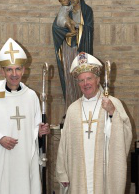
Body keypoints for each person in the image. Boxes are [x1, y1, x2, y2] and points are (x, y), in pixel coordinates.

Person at [0, 38, 50, 194]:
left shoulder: (32, 97)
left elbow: (33, 132)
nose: (14, 74)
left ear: (24, 70)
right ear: (2, 72)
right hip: (1, 166)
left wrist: (39, 133)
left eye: (18, 69)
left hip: (24, 164)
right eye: (9, 70)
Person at [56, 52, 132, 194]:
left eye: (89, 78)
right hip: (78, 173)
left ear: (97, 80)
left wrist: (112, 113)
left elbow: (125, 135)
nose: (86, 84)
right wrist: (62, 172)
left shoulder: (113, 103)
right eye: (81, 80)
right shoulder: (73, 109)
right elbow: (64, 144)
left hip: (104, 173)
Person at [52, 0, 94, 110]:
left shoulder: (86, 11)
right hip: (68, 48)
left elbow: (89, 29)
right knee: (69, 76)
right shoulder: (65, 10)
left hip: (81, 48)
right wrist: (65, 33)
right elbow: (55, 27)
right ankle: (71, 108)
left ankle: (85, 107)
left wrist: (78, 26)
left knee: (82, 76)